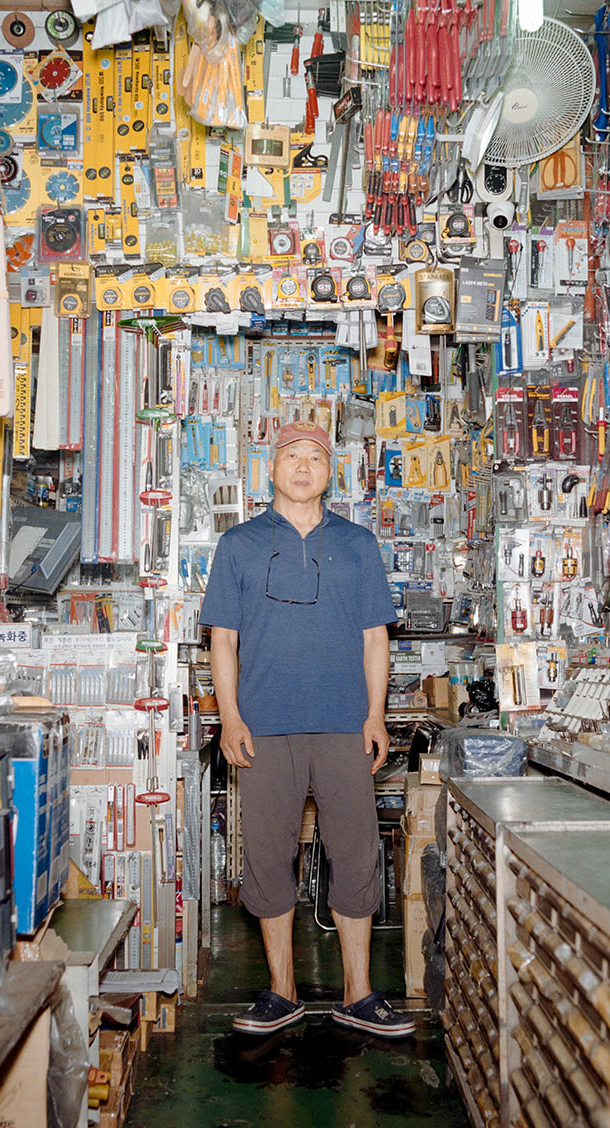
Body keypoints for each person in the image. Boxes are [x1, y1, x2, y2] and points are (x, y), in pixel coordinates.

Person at [199, 419, 415, 1039]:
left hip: (345, 725)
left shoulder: (357, 544)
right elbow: (223, 639)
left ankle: (358, 992)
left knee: (356, 855)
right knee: (269, 857)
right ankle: (281, 992)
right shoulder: (238, 544)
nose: (302, 466)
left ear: (330, 471)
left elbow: (376, 640)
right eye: (290, 456)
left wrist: (374, 715)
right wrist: (230, 715)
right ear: (271, 468)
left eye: (314, 457)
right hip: (264, 727)